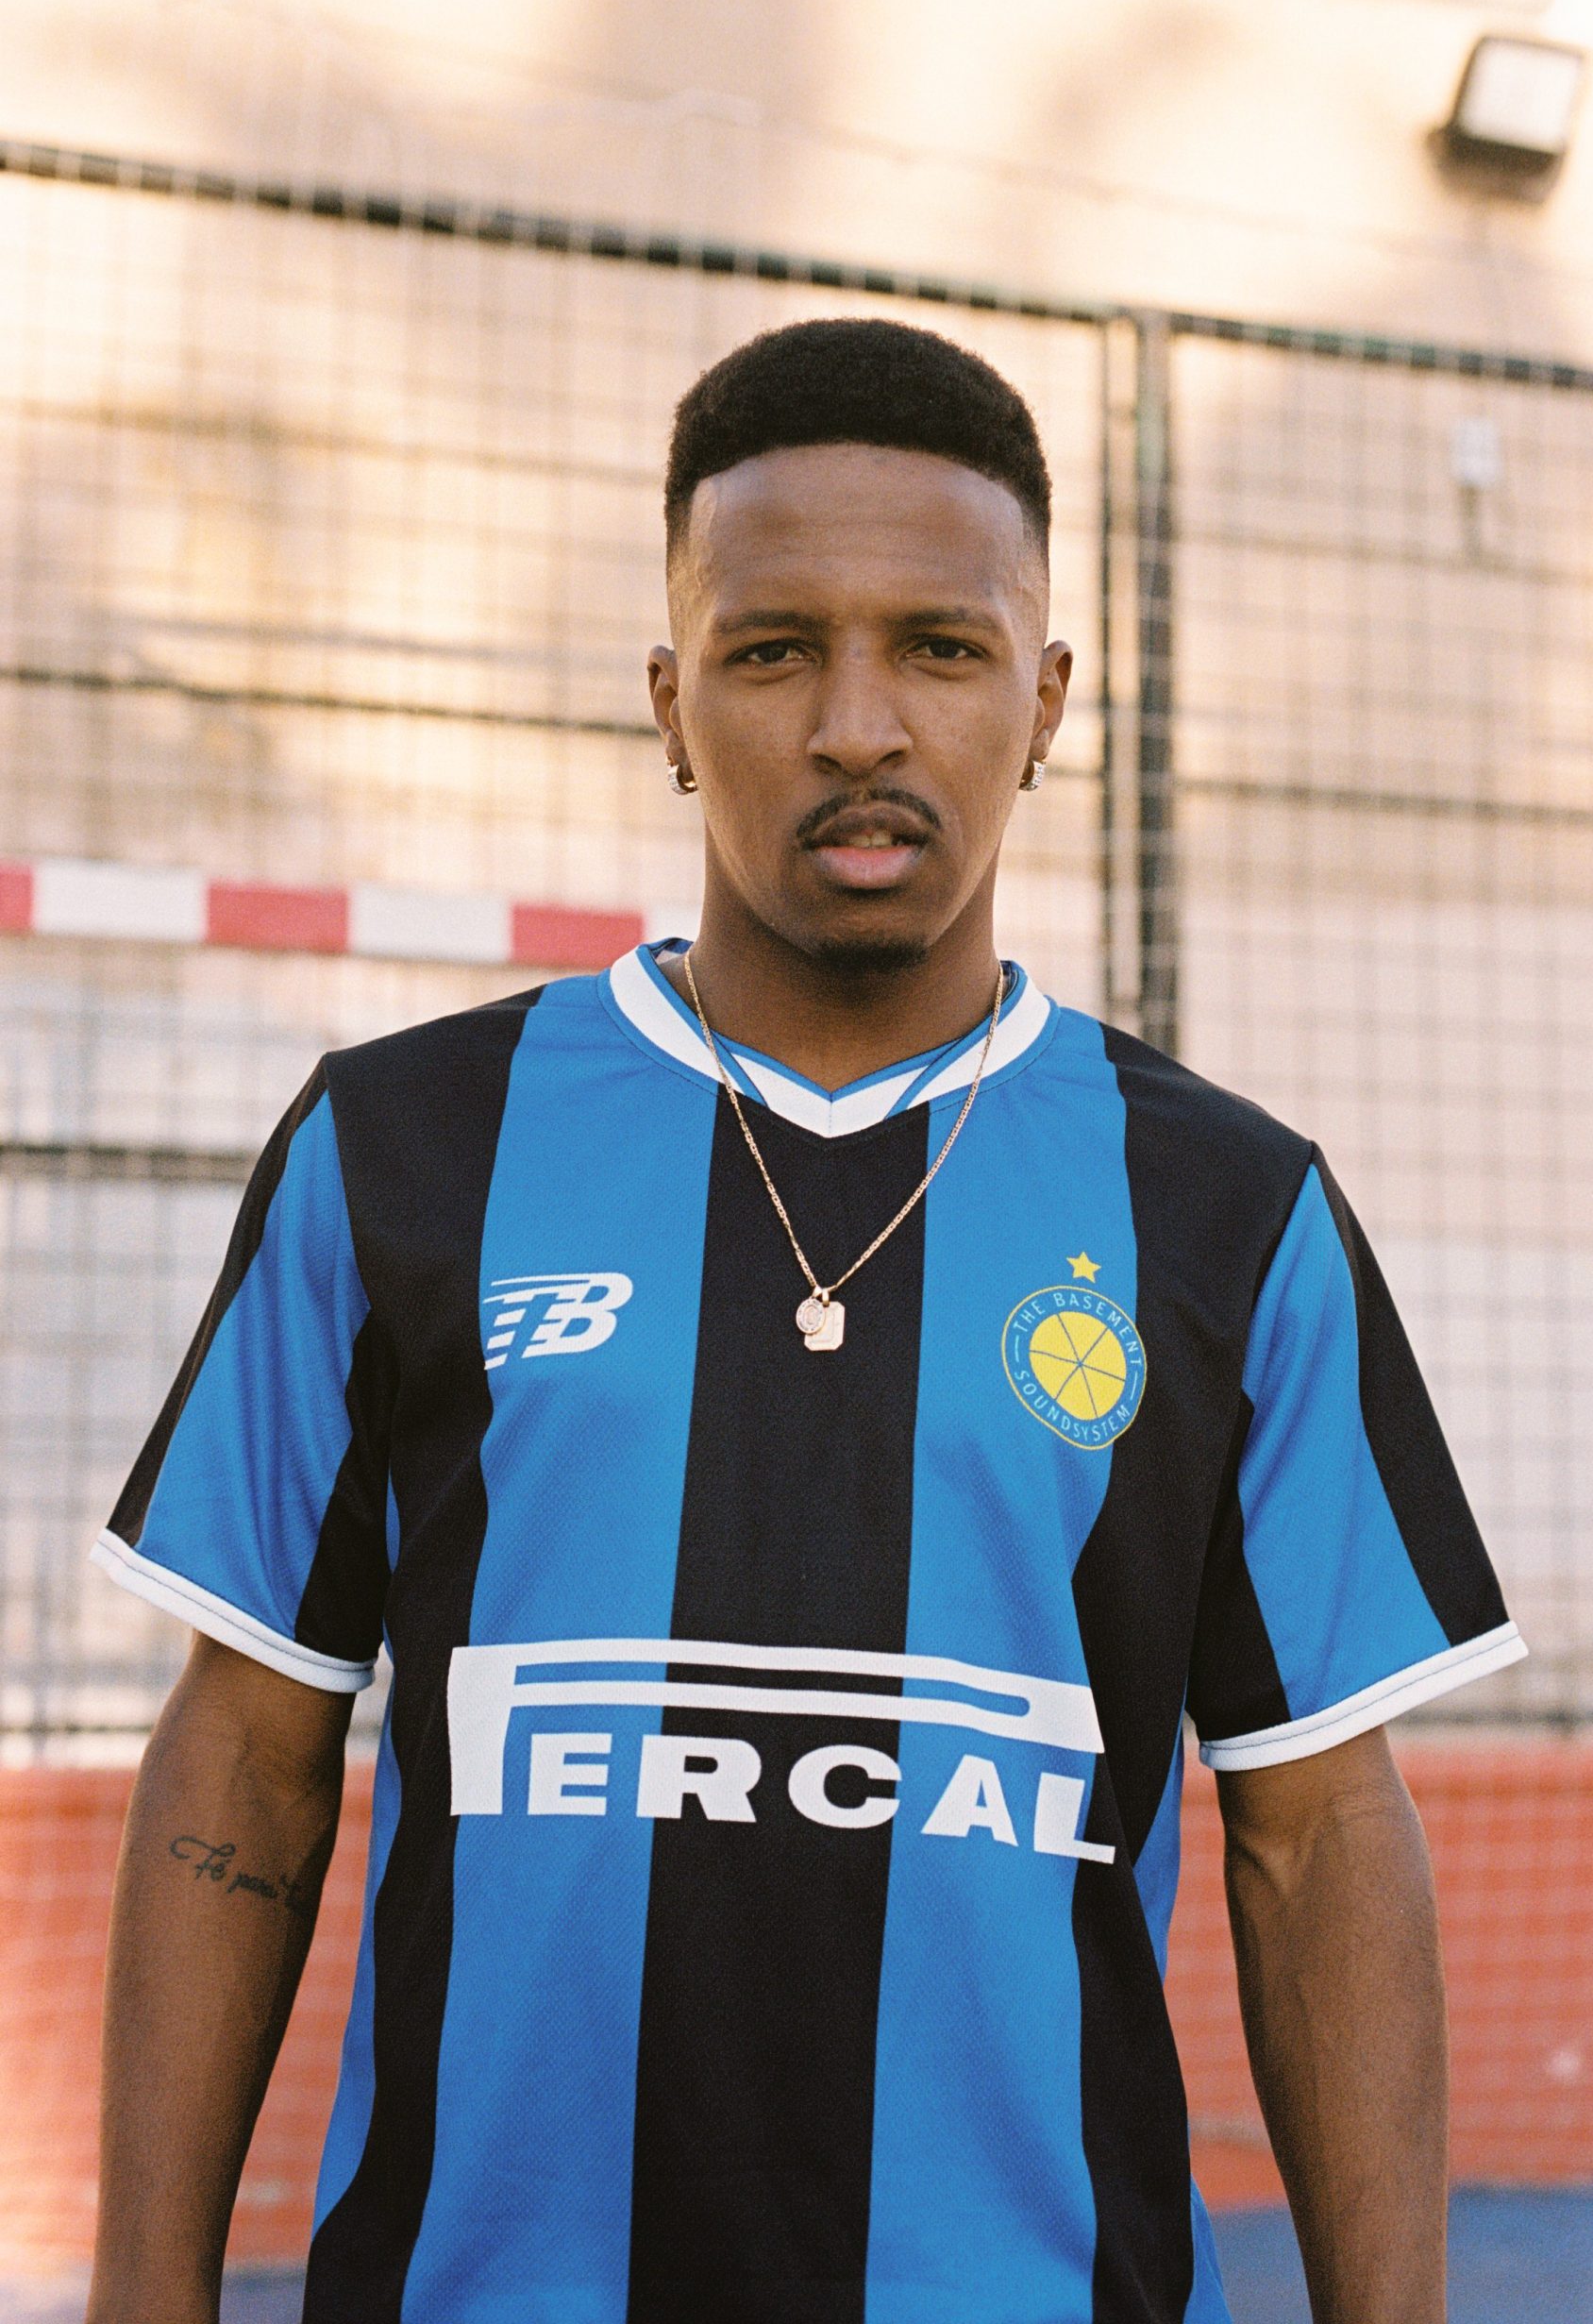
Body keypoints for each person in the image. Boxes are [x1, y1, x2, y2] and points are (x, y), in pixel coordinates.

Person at [87, 317, 1524, 2324]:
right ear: (673, 703)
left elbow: (1316, 1834)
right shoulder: (396, 1149)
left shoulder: (1230, 1209)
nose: (860, 725)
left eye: (940, 648)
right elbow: (244, 1755)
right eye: (772, 652)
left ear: (1043, 702)